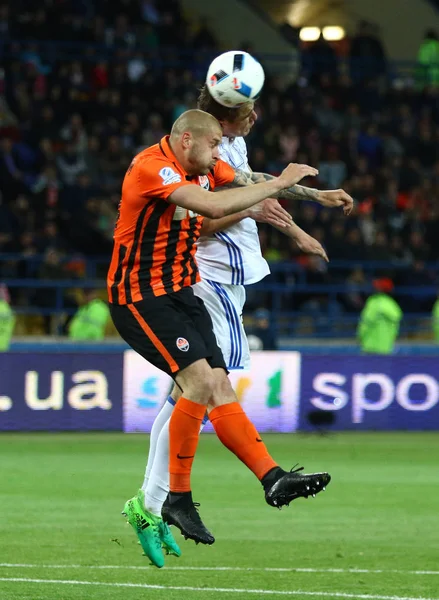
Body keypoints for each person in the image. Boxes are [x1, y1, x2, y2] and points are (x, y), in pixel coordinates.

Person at [107, 109, 331, 568]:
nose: (217, 160)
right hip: (140, 297)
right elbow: (211, 207)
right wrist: (275, 187)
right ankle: (174, 497)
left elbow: (251, 179)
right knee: (198, 385)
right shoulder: (153, 168)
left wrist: (311, 196)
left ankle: (271, 479)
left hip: (181, 291)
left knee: (216, 386)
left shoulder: (204, 165)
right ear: (187, 140)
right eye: (212, 149)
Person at [357, 278, 403, 354]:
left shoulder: (373, 303)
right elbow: (396, 328)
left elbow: (365, 323)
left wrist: (360, 337)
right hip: (386, 349)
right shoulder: (392, 305)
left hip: (370, 348)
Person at [0, 284, 15, 351]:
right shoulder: (7, 310)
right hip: (3, 348)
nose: (8, 294)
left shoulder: (7, 309)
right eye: (5, 292)